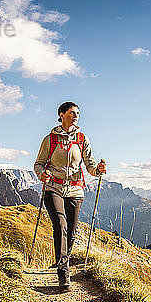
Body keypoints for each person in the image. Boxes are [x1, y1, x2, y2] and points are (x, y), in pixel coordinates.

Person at [34, 101, 106, 289]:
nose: (76, 116)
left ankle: (62, 260)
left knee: (72, 232)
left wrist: (97, 170)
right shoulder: (50, 139)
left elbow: (89, 165)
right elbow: (39, 163)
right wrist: (42, 174)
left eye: (78, 113)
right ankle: (63, 271)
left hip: (75, 190)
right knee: (60, 224)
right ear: (61, 114)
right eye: (72, 113)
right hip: (53, 188)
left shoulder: (82, 139)